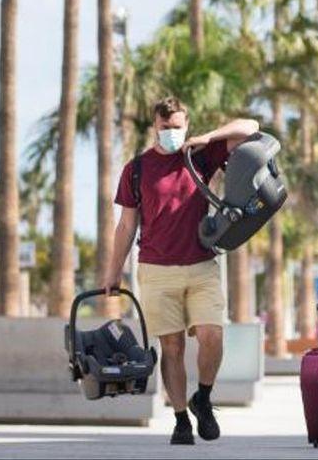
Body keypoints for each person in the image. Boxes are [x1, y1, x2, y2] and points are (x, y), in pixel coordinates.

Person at [103, 96, 259, 446]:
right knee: (170, 348)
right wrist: (112, 272)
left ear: (186, 125)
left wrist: (208, 138)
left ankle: (202, 397)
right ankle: (180, 420)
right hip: (156, 270)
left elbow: (251, 129)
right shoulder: (137, 169)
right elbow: (126, 225)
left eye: (177, 127)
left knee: (212, 336)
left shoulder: (201, 156)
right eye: (165, 128)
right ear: (154, 127)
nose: (171, 133)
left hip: (202, 264)